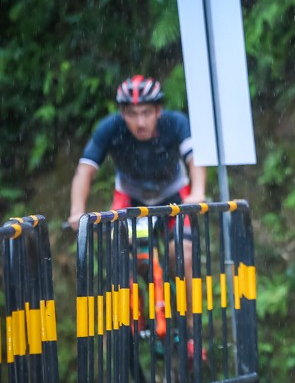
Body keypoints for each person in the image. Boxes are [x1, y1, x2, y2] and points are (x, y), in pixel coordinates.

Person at [68, 75, 207, 314]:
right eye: (132, 114)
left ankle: (192, 334)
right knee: (137, 257)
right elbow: (85, 170)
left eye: (146, 113)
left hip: (174, 195)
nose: (140, 122)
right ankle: (142, 306)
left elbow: (195, 158)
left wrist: (198, 192)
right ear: (122, 113)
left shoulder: (175, 123)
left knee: (183, 254)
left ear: (158, 110)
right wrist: (76, 211)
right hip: (133, 200)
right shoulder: (110, 128)